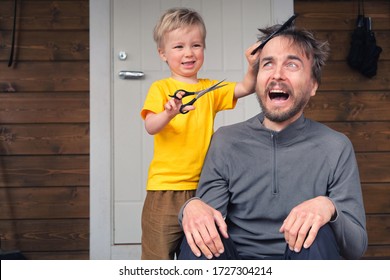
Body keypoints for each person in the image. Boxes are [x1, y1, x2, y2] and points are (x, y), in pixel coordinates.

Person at [178, 23, 368, 260]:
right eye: (268, 64)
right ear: (257, 80)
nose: (277, 74)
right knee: (197, 236)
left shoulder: (336, 147)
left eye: (292, 64)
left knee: (317, 233)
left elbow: (355, 247)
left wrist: (328, 207)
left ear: (313, 86)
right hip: (238, 266)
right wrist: (191, 207)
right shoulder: (226, 141)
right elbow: (207, 222)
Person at [140, 7, 260, 260]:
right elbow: (151, 126)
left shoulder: (210, 89)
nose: (189, 53)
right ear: (162, 53)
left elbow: (246, 87)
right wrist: (168, 114)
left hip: (203, 190)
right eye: (178, 47)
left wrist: (253, 65)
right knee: (156, 258)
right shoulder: (161, 88)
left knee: (199, 253)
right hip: (164, 191)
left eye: (196, 45)